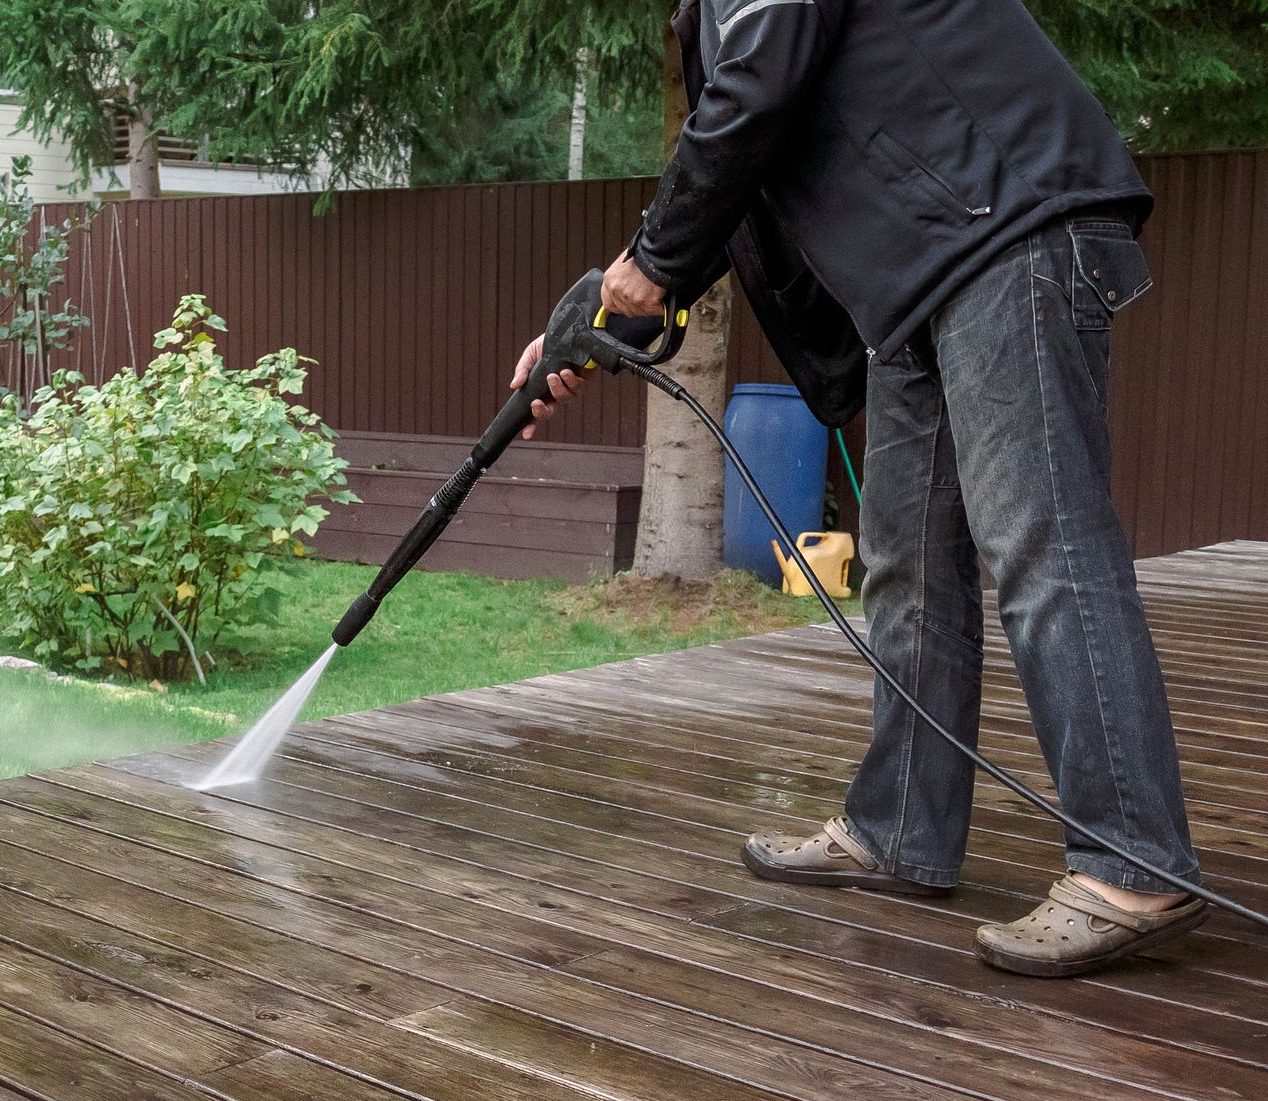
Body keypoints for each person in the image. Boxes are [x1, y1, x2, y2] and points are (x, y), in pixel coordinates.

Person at [512, 0, 1206, 977]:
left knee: (1040, 541)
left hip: (1005, 225)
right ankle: (902, 829)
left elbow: (758, 91)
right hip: (921, 276)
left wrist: (650, 261)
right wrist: (600, 320)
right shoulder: (703, 12)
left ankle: (1134, 861)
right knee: (907, 565)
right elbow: (740, 175)